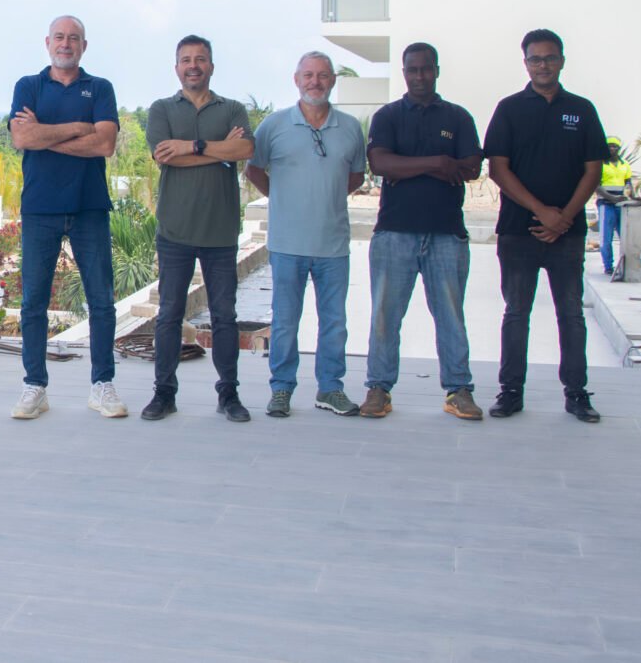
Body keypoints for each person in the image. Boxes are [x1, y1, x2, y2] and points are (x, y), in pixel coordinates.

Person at [483, 28, 607, 423]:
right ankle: (511, 392)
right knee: (516, 313)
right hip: (519, 232)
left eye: (549, 58)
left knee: (570, 314)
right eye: (535, 59)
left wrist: (564, 218)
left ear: (562, 61)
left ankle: (576, 394)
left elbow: (593, 170)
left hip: (567, 236)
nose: (542, 65)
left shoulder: (582, 109)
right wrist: (543, 212)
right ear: (526, 63)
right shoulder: (508, 109)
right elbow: (498, 169)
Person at [8, 15, 125, 419]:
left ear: (84, 46)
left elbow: (106, 144)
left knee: (102, 302)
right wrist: (79, 128)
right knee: (33, 304)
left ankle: (102, 385)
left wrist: (47, 135)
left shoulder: (100, 88)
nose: (66, 43)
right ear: (47, 42)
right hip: (40, 208)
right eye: (59, 37)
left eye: (73, 38)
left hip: (89, 207)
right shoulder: (29, 86)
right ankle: (34, 386)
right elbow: (22, 137)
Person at [359, 42, 484, 421]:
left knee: (450, 315)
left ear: (436, 71)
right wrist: (438, 163)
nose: (419, 76)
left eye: (426, 69)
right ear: (404, 72)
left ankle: (458, 389)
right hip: (395, 232)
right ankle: (379, 388)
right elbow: (380, 163)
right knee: (385, 315)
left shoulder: (458, 117)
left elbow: (472, 167)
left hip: (446, 233)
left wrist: (409, 166)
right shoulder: (388, 116)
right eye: (412, 70)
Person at [245, 51, 366, 418]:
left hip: (333, 245)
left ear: (332, 80)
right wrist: (285, 197)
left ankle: (330, 389)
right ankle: (281, 388)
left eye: (323, 75)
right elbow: (253, 171)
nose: (316, 82)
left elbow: (356, 176)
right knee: (285, 321)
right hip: (287, 244)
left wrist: (323, 197)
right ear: (296, 80)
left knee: (334, 322)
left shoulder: (349, 128)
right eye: (308, 75)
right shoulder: (274, 125)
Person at [141, 35, 254, 422]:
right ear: (177, 67)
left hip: (221, 233)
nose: (193, 65)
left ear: (211, 66)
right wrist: (216, 150)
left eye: (201, 59)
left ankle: (229, 395)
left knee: (225, 316)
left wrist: (191, 146)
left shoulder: (233, 108)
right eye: (186, 59)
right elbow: (164, 157)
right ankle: (164, 394)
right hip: (174, 233)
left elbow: (243, 151)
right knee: (169, 315)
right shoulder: (161, 109)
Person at [596, 136, 633, 277]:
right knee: (606, 238)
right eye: (609, 146)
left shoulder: (625, 165)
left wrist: (631, 197)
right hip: (606, 204)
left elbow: (628, 184)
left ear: (619, 149)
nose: (612, 149)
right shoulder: (601, 165)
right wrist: (611, 198)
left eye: (615, 146)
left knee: (625, 236)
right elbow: (596, 186)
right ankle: (608, 266)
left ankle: (624, 265)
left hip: (621, 205)